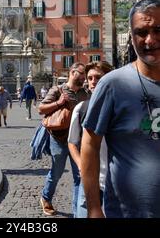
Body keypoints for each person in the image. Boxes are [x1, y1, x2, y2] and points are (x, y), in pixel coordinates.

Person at [81, 0, 160, 218]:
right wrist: (94, 208)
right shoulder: (112, 85)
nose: (150, 39)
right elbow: (89, 145)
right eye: (141, 32)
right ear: (132, 38)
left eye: (157, 30)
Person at [38, 62, 88, 216]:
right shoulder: (58, 90)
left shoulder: (85, 94)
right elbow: (41, 108)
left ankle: (76, 211)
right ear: (72, 73)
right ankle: (45, 197)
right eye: (82, 73)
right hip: (59, 139)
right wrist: (58, 103)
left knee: (79, 175)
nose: (84, 77)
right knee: (57, 172)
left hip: (78, 141)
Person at [68, 61, 113, 218]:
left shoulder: (121, 107)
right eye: (90, 78)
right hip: (90, 180)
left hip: (117, 182)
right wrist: (81, 164)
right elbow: (72, 142)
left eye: (98, 77)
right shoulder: (81, 108)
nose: (93, 81)